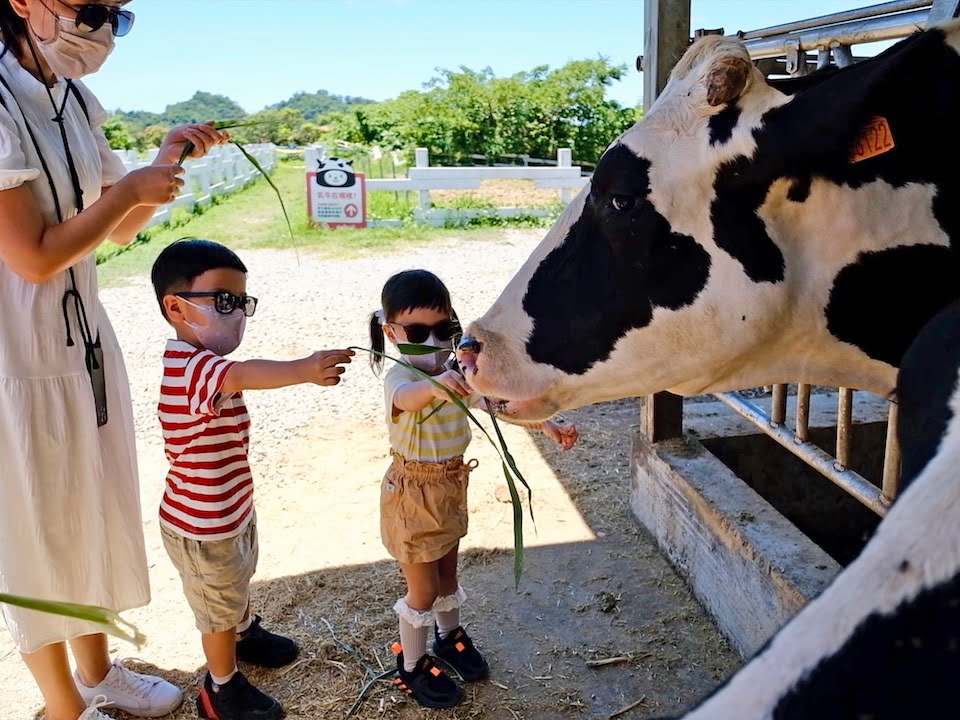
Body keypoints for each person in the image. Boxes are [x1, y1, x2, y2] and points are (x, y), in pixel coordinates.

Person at [0, 2, 232, 719]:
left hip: (83, 343)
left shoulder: (74, 99)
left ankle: (101, 674)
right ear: (24, 4)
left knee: (91, 511)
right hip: (16, 355)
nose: (99, 27)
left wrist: (161, 165)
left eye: (114, 15)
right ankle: (65, 707)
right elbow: (34, 256)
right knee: (34, 532)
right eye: (88, 8)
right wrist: (129, 189)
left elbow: (113, 232)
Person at [150, 238, 354, 720]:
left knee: (236, 581)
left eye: (242, 302)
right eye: (224, 300)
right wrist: (304, 369)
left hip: (230, 511)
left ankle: (243, 633)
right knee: (216, 607)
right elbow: (241, 374)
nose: (237, 312)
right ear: (175, 306)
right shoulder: (188, 366)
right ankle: (221, 689)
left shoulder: (204, 363)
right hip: (202, 526)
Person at [369, 269, 579, 709]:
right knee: (422, 589)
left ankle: (448, 638)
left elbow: (488, 402)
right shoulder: (403, 378)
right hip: (413, 496)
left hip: (449, 486)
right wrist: (436, 387)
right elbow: (408, 398)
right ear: (391, 332)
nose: (431, 342)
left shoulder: (452, 374)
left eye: (442, 329)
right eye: (416, 331)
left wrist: (543, 422)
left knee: (448, 575)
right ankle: (410, 665)